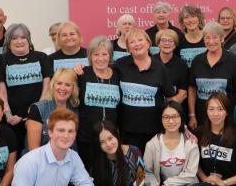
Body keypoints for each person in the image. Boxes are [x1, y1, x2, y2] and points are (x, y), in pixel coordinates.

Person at [9, 107, 107, 186]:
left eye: (71, 131)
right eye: (61, 130)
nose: (66, 136)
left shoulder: (73, 157)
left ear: (75, 134)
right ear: (50, 133)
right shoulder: (29, 161)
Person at [114, 28, 176, 152]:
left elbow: (170, 98)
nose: (137, 44)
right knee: (133, 168)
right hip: (127, 129)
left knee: (151, 167)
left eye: (140, 40)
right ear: (128, 48)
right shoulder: (120, 64)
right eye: (132, 42)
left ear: (148, 43)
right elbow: (103, 73)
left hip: (154, 130)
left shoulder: (160, 68)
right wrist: (81, 68)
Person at [0, 23, 52, 154]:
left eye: (23, 37)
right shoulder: (1, 60)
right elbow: (1, 92)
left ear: (28, 39)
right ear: (8, 42)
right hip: (12, 121)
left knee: (37, 154)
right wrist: (8, 115)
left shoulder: (41, 57)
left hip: (38, 119)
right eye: (14, 38)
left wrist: (35, 113)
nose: (19, 41)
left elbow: (47, 89)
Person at [143, 102, 199, 186]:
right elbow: (146, 172)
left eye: (175, 116)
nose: (171, 121)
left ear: (181, 118)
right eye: (166, 117)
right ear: (161, 119)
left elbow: (190, 173)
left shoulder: (190, 143)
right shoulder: (152, 144)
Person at [188, 22, 236, 128]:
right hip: (202, 118)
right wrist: (192, 115)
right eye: (207, 38)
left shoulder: (233, 60)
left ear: (222, 39)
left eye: (215, 37)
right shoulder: (197, 61)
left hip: (226, 119)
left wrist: (235, 110)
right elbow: (192, 89)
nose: (211, 41)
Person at [91, 120, 147, 186]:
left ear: (117, 133)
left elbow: (140, 181)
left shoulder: (134, 152)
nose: (108, 144)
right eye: (102, 142)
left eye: (110, 138)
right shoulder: (98, 161)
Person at [76, 36, 120, 170]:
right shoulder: (82, 74)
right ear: (90, 56)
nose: (100, 58)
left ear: (110, 55)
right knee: (89, 170)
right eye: (96, 54)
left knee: (110, 170)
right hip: (87, 135)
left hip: (111, 137)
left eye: (104, 54)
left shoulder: (118, 74)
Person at [25, 68, 80, 150]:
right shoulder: (38, 109)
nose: (62, 88)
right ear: (53, 85)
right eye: (59, 83)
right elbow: (33, 150)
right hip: (40, 161)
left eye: (68, 85)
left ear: (73, 88)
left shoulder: (76, 110)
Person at [155, 29, 189, 104]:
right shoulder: (150, 61)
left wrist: (169, 107)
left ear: (175, 45)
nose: (167, 43)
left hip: (174, 108)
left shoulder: (181, 64)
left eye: (170, 41)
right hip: (153, 108)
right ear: (158, 44)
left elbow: (183, 93)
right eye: (163, 40)